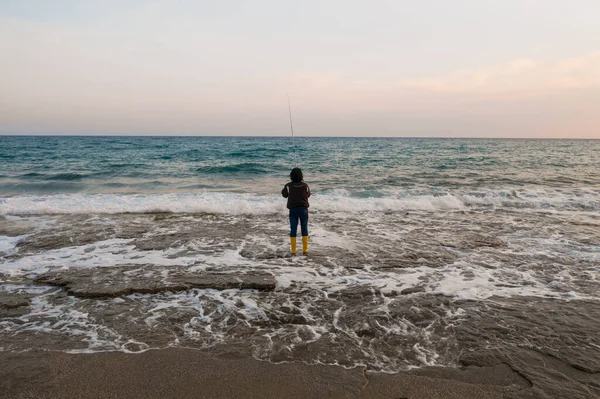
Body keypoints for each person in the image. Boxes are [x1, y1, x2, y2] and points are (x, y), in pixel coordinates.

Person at [281, 167, 310, 255]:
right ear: (301, 176)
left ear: (291, 176)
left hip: (293, 211)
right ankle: (305, 250)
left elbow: (284, 195)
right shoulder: (305, 186)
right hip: (303, 211)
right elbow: (308, 195)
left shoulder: (288, 185)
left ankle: (293, 251)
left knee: (293, 229)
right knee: (304, 229)